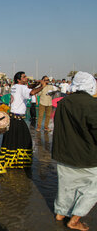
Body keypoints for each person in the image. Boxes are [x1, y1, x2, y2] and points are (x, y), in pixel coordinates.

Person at [52, 71, 97, 231]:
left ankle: (60, 213)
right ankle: (75, 219)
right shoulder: (92, 104)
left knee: (66, 186)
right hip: (86, 155)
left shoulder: (64, 102)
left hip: (64, 153)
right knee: (92, 190)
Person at [1, 72, 46, 169]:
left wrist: (36, 84)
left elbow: (29, 88)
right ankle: (20, 162)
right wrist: (42, 86)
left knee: (12, 141)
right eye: (24, 77)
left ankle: (10, 161)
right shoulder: (22, 88)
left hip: (12, 117)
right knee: (24, 140)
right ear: (19, 80)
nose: (26, 78)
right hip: (18, 118)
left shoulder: (15, 86)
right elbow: (32, 92)